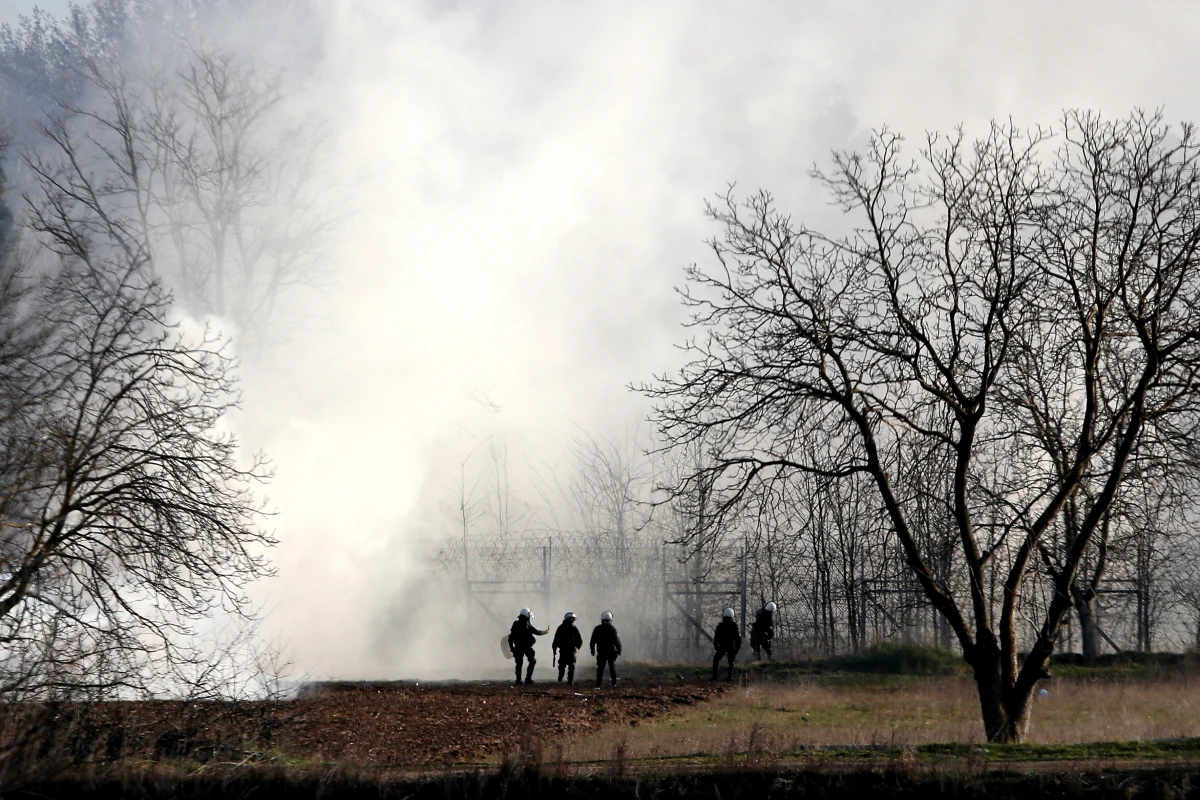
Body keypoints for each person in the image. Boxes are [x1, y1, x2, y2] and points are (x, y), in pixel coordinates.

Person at [508, 607, 548, 685]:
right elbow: (537, 632)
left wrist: (512, 648)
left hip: (518, 647)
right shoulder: (527, 625)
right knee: (532, 661)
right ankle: (528, 679)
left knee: (519, 663)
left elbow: (511, 637)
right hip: (526, 647)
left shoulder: (515, 624)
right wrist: (546, 632)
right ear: (527, 615)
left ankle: (518, 680)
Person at [590, 610, 622, 688]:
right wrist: (619, 649)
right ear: (611, 619)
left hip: (601, 651)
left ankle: (598, 683)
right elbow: (617, 641)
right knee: (612, 667)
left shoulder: (597, 629)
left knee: (600, 668)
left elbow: (593, 641)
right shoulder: (613, 629)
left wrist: (592, 650)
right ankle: (614, 683)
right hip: (611, 651)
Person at [552, 611, 584, 685]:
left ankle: (570, 680)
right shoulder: (561, 628)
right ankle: (560, 677)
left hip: (571, 650)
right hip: (563, 650)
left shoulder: (574, 629)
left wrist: (577, 648)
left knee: (571, 666)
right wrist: (554, 649)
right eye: (571, 619)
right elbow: (556, 639)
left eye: (573, 619)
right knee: (562, 665)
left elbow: (579, 640)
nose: (572, 620)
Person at [712, 607, 742, 682]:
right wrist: (736, 649)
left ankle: (715, 676)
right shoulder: (734, 625)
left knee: (716, 660)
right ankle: (729, 677)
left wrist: (716, 645)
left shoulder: (720, 625)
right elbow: (737, 638)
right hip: (731, 646)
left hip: (722, 646)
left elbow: (716, 637)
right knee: (731, 662)